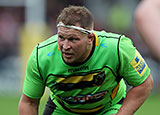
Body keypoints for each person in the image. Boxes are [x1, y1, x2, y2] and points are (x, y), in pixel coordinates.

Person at [18, 5, 153, 115]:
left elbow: (144, 83)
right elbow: (29, 102)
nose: (65, 46)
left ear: (90, 38)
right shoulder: (41, 56)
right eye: (61, 38)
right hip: (63, 109)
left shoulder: (118, 48)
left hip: (107, 108)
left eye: (73, 39)